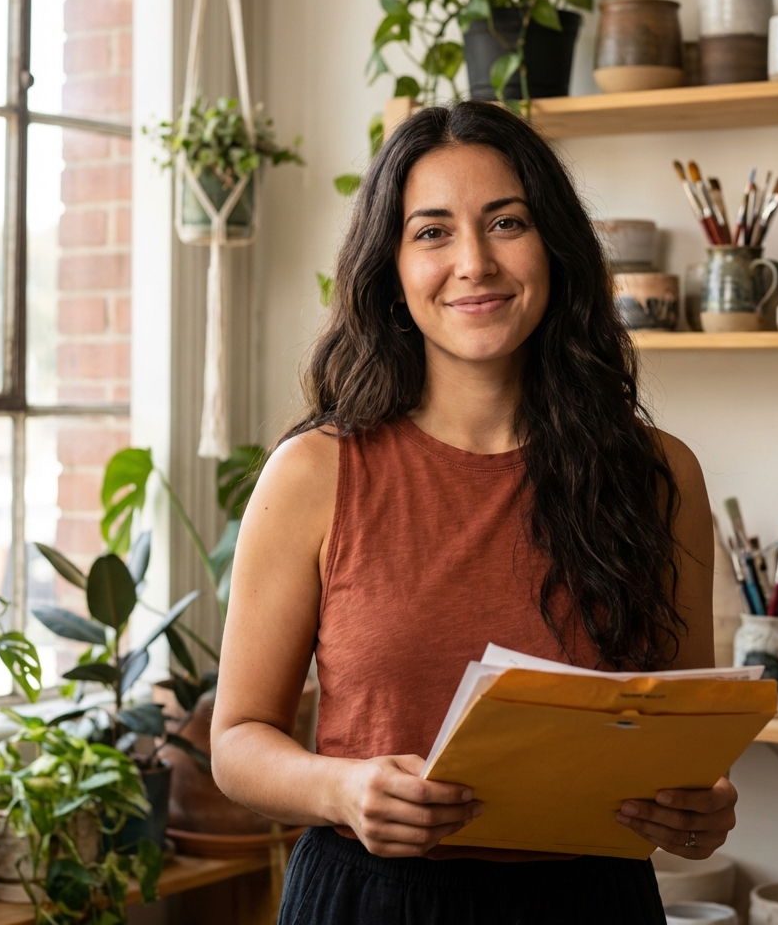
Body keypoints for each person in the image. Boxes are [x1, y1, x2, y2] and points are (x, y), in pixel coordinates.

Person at [212, 101, 735, 924]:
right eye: (432, 232)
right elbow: (237, 740)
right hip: (370, 900)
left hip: (591, 902)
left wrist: (697, 810)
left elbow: (681, 733)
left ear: (554, 248)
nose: (474, 262)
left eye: (506, 222)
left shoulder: (660, 473)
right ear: (391, 267)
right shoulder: (313, 473)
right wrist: (342, 787)